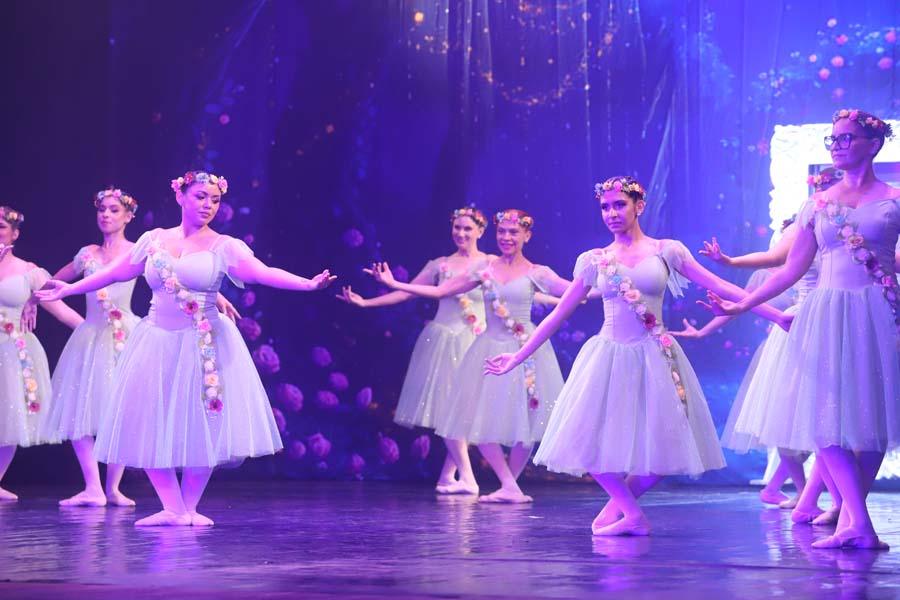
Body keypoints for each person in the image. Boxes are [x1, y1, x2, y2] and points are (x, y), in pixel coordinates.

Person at [484, 177, 789, 535]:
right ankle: (632, 516)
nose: (611, 213)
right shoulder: (594, 260)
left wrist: (777, 316)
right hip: (608, 356)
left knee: (668, 444)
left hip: (655, 356)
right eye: (605, 207)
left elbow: (721, 286)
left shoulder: (666, 251)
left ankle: (619, 510)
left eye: (619, 205)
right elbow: (557, 314)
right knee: (586, 439)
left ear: (638, 206)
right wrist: (517, 357)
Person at [36, 171, 335, 526]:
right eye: (200, 197)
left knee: (204, 423)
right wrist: (69, 289)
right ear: (180, 196)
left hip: (203, 342)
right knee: (145, 421)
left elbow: (261, 272)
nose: (208, 205)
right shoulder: (153, 239)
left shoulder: (224, 246)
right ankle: (173, 508)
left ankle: (188, 507)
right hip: (155, 341)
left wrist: (306, 284)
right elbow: (115, 272)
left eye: (215, 200)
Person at [703, 109, 899, 549]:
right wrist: (742, 304)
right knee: (824, 417)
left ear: (873, 144)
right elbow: (789, 269)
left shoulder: (894, 199)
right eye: (833, 139)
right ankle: (859, 524)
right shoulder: (817, 205)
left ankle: (854, 523)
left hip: (878, 312)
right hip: (826, 312)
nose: (838, 146)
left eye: (847, 138)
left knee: (873, 417)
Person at [367, 209, 569, 503]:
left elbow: (570, 291)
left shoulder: (536, 271)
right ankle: (505, 485)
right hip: (488, 347)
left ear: (527, 235)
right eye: (502, 232)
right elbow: (441, 291)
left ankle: (509, 486)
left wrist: (607, 285)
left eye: (513, 232)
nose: (507, 237)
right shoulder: (483, 268)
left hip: (524, 348)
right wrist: (395, 284)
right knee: (476, 418)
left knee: (527, 422)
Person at [337, 208, 491, 493]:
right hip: (446, 342)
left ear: (480, 231)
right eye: (457, 227)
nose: (461, 233)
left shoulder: (490, 263)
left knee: (469, 413)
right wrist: (367, 303)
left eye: (468, 228)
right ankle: (468, 478)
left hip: (478, 342)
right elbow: (406, 291)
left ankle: (448, 476)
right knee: (451, 410)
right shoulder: (440, 265)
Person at [0, 206, 83, 501]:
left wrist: (92, 333)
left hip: (13, 351)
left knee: (9, 419)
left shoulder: (29, 272)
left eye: (1, 227)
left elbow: (62, 311)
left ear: (14, 234)